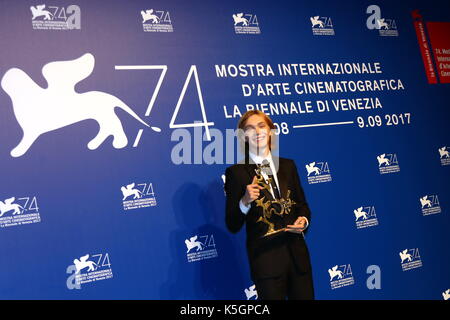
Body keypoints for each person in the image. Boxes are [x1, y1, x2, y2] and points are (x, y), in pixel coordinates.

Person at [224, 110, 314, 300]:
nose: (257, 132)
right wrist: (245, 201)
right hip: (266, 263)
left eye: (261, 125)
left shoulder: (288, 166)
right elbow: (232, 224)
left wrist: (303, 221)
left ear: (271, 131)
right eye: (249, 128)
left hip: (298, 258)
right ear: (244, 137)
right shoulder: (237, 173)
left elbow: (302, 205)